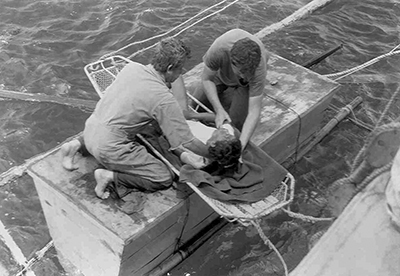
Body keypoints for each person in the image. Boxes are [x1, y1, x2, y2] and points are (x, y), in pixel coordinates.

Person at [62, 37, 213, 200]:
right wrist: (213, 153)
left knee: (116, 119)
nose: (180, 73)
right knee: (163, 177)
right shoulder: (163, 99)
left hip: (90, 130)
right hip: (108, 149)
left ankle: (73, 146)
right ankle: (108, 176)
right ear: (170, 68)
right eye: (180, 69)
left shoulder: (132, 68)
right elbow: (186, 142)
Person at [191, 28, 269, 154]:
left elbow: (254, 112)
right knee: (195, 104)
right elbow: (206, 79)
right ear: (232, 62)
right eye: (242, 72)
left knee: (236, 124)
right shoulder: (219, 50)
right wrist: (219, 109)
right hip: (220, 75)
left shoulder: (259, 69)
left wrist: (240, 147)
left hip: (246, 85)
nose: (244, 77)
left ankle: (239, 90)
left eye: (249, 72)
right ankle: (226, 89)